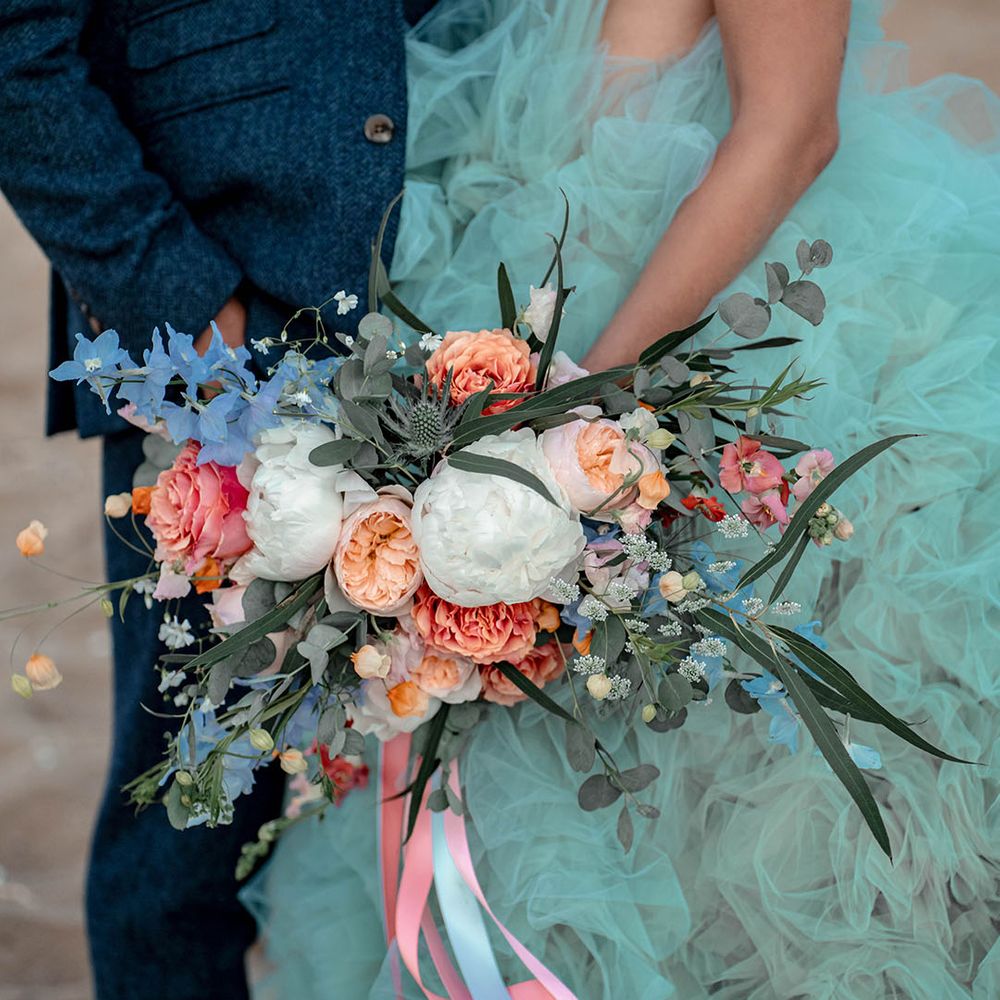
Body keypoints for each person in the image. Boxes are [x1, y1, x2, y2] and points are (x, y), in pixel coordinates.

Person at [244, 0, 1000, 997]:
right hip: (492, 314)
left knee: (724, 839)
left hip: (681, 339)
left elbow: (789, 128)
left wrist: (571, 420)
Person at [0, 1, 438, 997]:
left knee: (439, 814)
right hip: (228, 308)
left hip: (475, 271)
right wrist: (181, 304)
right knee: (186, 836)